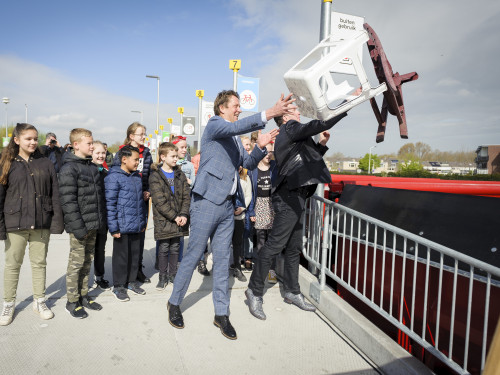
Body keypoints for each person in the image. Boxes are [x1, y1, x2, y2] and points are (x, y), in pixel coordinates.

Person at [167, 89, 295, 340]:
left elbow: (246, 165)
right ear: (222, 108)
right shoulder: (215, 125)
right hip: (206, 202)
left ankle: (221, 314)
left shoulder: (236, 138)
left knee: (224, 260)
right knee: (193, 255)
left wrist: (259, 147)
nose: (239, 109)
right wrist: (270, 113)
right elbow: (234, 128)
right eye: (235, 105)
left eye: (239, 106)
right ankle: (174, 303)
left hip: (227, 206)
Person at [246, 107, 348, 320]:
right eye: (293, 110)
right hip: (289, 197)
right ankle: (254, 291)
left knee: (294, 248)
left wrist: (321, 145)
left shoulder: (293, 135)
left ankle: (292, 291)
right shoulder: (291, 128)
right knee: (274, 245)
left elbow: (307, 164)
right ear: (285, 118)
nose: (299, 112)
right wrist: (346, 104)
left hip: (296, 196)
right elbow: (319, 124)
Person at [0, 123, 64, 326]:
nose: (33, 142)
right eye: (28, 138)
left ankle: (39, 301)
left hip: (40, 222)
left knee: (39, 264)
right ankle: (9, 304)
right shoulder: (6, 162)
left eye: (35, 138)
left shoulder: (45, 163)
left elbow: (55, 194)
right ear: (17, 140)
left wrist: (55, 223)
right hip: (14, 222)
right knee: (12, 265)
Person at [58, 128, 107, 319]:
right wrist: (79, 228)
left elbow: (97, 198)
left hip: (93, 224)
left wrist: (99, 223)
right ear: (76, 145)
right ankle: (72, 301)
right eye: (89, 143)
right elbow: (68, 202)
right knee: (76, 264)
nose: (92, 146)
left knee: (87, 262)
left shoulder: (92, 167)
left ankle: (83, 295)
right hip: (80, 227)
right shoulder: (69, 168)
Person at [105, 146, 147, 302]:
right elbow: (110, 203)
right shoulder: (113, 177)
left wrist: (142, 221)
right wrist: (113, 227)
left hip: (136, 224)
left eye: (139, 160)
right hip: (121, 226)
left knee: (134, 256)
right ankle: (119, 286)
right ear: (124, 159)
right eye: (135, 160)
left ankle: (131, 282)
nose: (138, 163)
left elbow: (140, 203)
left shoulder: (137, 177)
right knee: (121, 257)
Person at [113, 123, 152, 284]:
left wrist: (148, 190)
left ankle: (137, 269)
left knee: (140, 236)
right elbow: (117, 174)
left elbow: (149, 174)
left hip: (142, 199)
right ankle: (125, 273)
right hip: (128, 198)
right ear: (131, 136)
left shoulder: (147, 153)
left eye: (144, 133)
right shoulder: (123, 152)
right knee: (126, 238)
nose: (144, 137)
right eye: (141, 134)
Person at [149, 142, 190, 290]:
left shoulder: (180, 174)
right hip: (164, 219)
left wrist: (184, 214)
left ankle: (173, 274)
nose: (175, 159)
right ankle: (162, 275)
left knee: (175, 247)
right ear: (163, 157)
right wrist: (175, 217)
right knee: (164, 247)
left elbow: (186, 196)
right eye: (172, 156)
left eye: (176, 156)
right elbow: (160, 202)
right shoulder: (155, 176)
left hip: (179, 218)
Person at [248, 143, 278, 279]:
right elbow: (249, 191)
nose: (268, 154)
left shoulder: (275, 168)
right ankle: (260, 268)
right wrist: (251, 211)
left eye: (271, 152)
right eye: (266, 152)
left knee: (272, 239)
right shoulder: (253, 170)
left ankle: (272, 270)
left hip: (272, 205)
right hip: (259, 204)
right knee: (260, 239)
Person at [91, 141, 110, 290]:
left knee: (100, 249)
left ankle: (99, 276)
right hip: (90, 218)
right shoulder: (87, 171)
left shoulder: (105, 173)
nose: (101, 155)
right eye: (97, 153)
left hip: (102, 218)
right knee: (86, 252)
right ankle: (84, 281)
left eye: (103, 153)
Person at [230, 167, 254, 283]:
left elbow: (249, 195)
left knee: (237, 243)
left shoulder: (246, 176)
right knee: (223, 243)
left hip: (240, 216)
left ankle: (237, 268)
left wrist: (242, 207)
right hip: (226, 216)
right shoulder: (227, 173)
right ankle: (223, 268)